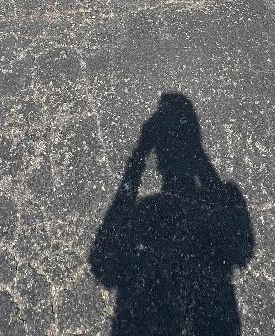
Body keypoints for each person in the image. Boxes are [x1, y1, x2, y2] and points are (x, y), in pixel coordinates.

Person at [90, 93, 253, 335]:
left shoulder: (146, 210)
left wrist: (139, 155)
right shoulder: (216, 202)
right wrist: (197, 156)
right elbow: (242, 249)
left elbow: (103, 263)